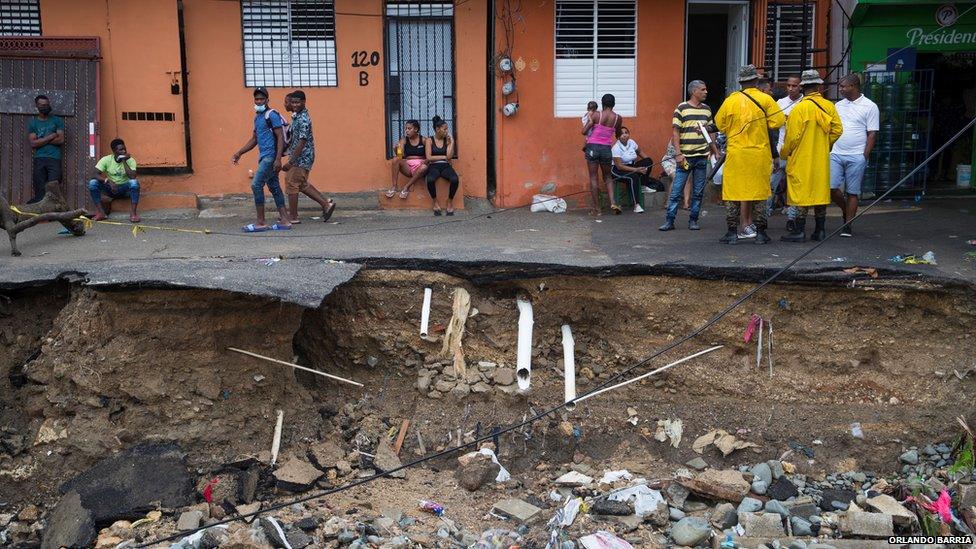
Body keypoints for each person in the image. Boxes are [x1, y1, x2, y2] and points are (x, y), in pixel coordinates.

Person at [714, 65, 785, 244]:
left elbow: (720, 124)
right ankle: (760, 234)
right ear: (756, 81)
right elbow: (777, 122)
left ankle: (731, 233)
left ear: (741, 82)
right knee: (760, 193)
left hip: (736, 154)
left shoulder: (730, 101)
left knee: (732, 193)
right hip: (758, 154)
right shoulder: (766, 99)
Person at [780, 70, 843, 242]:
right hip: (821, 159)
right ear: (818, 86)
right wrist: (824, 144)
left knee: (801, 194)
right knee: (820, 192)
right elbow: (838, 130)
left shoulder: (799, 109)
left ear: (802, 87)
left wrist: (784, 153)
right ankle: (820, 231)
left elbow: (791, 138)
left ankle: (799, 231)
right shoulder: (828, 106)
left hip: (801, 158)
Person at [661, 80, 719, 231]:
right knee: (677, 190)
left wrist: (715, 151)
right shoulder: (681, 108)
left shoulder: (707, 110)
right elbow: (675, 132)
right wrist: (678, 154)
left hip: (701, 157)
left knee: (698, 191)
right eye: (703, 89)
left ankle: (693, 220)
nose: (706, 92)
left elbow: (710, 132)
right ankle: (670, 220)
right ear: (694, 92)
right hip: (685, 158)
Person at [232, 87, 291, 232]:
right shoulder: (258, 117)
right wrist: (240, 152)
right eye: (256, 99)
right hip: (264, 156)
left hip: (270, 157)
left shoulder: (272, 115)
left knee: (256, 185)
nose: (259, 101)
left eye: (261, 99)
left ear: (267, 100)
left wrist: (278, 159)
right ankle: (285, 220)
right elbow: (254, 139)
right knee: (274, 187)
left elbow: (280, 137)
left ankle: (260, 222)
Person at [830, 74, 879, 237]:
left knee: (852, 191)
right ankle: (846, 210)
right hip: (836, 153)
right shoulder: (838, 105)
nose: (841, 89)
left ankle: (848, 224)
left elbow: (872, 134)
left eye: (843, 86)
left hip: (857, 155)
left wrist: (863, 156)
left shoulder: (870, 106)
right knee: (830, 187)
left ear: (853, 86)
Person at [281, 90, 335, 223]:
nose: (294, 105)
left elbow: (302, 141)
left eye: (297, 102)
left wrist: (291, 161)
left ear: (304, 102)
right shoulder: (297, 116)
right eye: (293, 102)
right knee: (302, 184)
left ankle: (293, 216)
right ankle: (326, 204)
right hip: (299, 156)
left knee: (292, 183)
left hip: (301, 157)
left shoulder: (303, 119)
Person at [582, 94, 623, 215]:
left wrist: (590, 120)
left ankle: (597, 209)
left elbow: (583, 131)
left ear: (603, 104)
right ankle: (613, 202)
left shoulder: (596, 115)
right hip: (606, 149)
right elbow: (618, 134)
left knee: (593, 178)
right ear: (614, 104)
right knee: (608, 177)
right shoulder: (618, 118)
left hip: (592, 148)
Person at [88, 138, 140, 223]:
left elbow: (132, 176)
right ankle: (101, 213)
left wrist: (123, 160)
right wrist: (107, 181)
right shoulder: (106, 160)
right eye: (120, 150)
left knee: (134, 182)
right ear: (114, 151)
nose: (123, 151)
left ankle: (133, 214)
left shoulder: (130, 160)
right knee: (93, 183)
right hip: (111, 189)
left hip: (125, 190)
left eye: (124, 149)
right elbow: (94, 174)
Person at [777, 75, 803, 230]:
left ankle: (791, 219)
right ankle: (763, 220)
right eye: (789, 85)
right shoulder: (780, 103)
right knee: (772, 184)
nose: (791, 88)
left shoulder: (805, 103)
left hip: (799, 152)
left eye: (795, 85)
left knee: (795, 187)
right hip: (781, 149)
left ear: (801, 86)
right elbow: (773, 124)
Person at [27, 95, 65, 203]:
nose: (45, 107)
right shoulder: (33, 123)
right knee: (39, 188)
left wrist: (41, 140)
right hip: (39, 159)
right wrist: (51, 136)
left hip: (54, 159)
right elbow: (33, 143)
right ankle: (40, 215)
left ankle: (53, 214)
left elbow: (61, 140)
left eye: (47, 105)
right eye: (42, 105)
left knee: (53, 186)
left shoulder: (57, 121)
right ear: (37, 106)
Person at [610, 126, 652, 213]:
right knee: (633, 177)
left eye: (626, 133)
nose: (624, 135)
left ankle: (643, 185)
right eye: (622, 134)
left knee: (649, 161)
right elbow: (619, 166)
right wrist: (636, 170)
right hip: (618, 170)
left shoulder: (632, 142)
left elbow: (640, 152)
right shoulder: (616, 148)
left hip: (631, 166)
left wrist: (647, 164)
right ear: (618, 137)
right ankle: (637, 205)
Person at [425, 115, 459, 216]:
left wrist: (452, 142)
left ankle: (449, 201)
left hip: (445, 166)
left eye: (447, 129)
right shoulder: (429, 140)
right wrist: (443, 157)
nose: (447, 131)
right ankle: (435, 202)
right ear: (437, 129)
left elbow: (449, 156)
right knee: (430, 180)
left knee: (455, 179)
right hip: (433, 166)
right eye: (445, 129)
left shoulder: (447, 140)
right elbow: (429, 157)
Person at [387, 119, 428, 199]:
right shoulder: (404, 140)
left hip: (420, 167)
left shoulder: (424, 140)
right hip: (408, 167)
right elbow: (400, 156)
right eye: (406, 129)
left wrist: (423, 162)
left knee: (424, 167)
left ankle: (406, 187)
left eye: (409, 129)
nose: (406, 131)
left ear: (416, 129)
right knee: (395, 159)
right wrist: (396, 149)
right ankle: (394, 187)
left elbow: (429, 156)